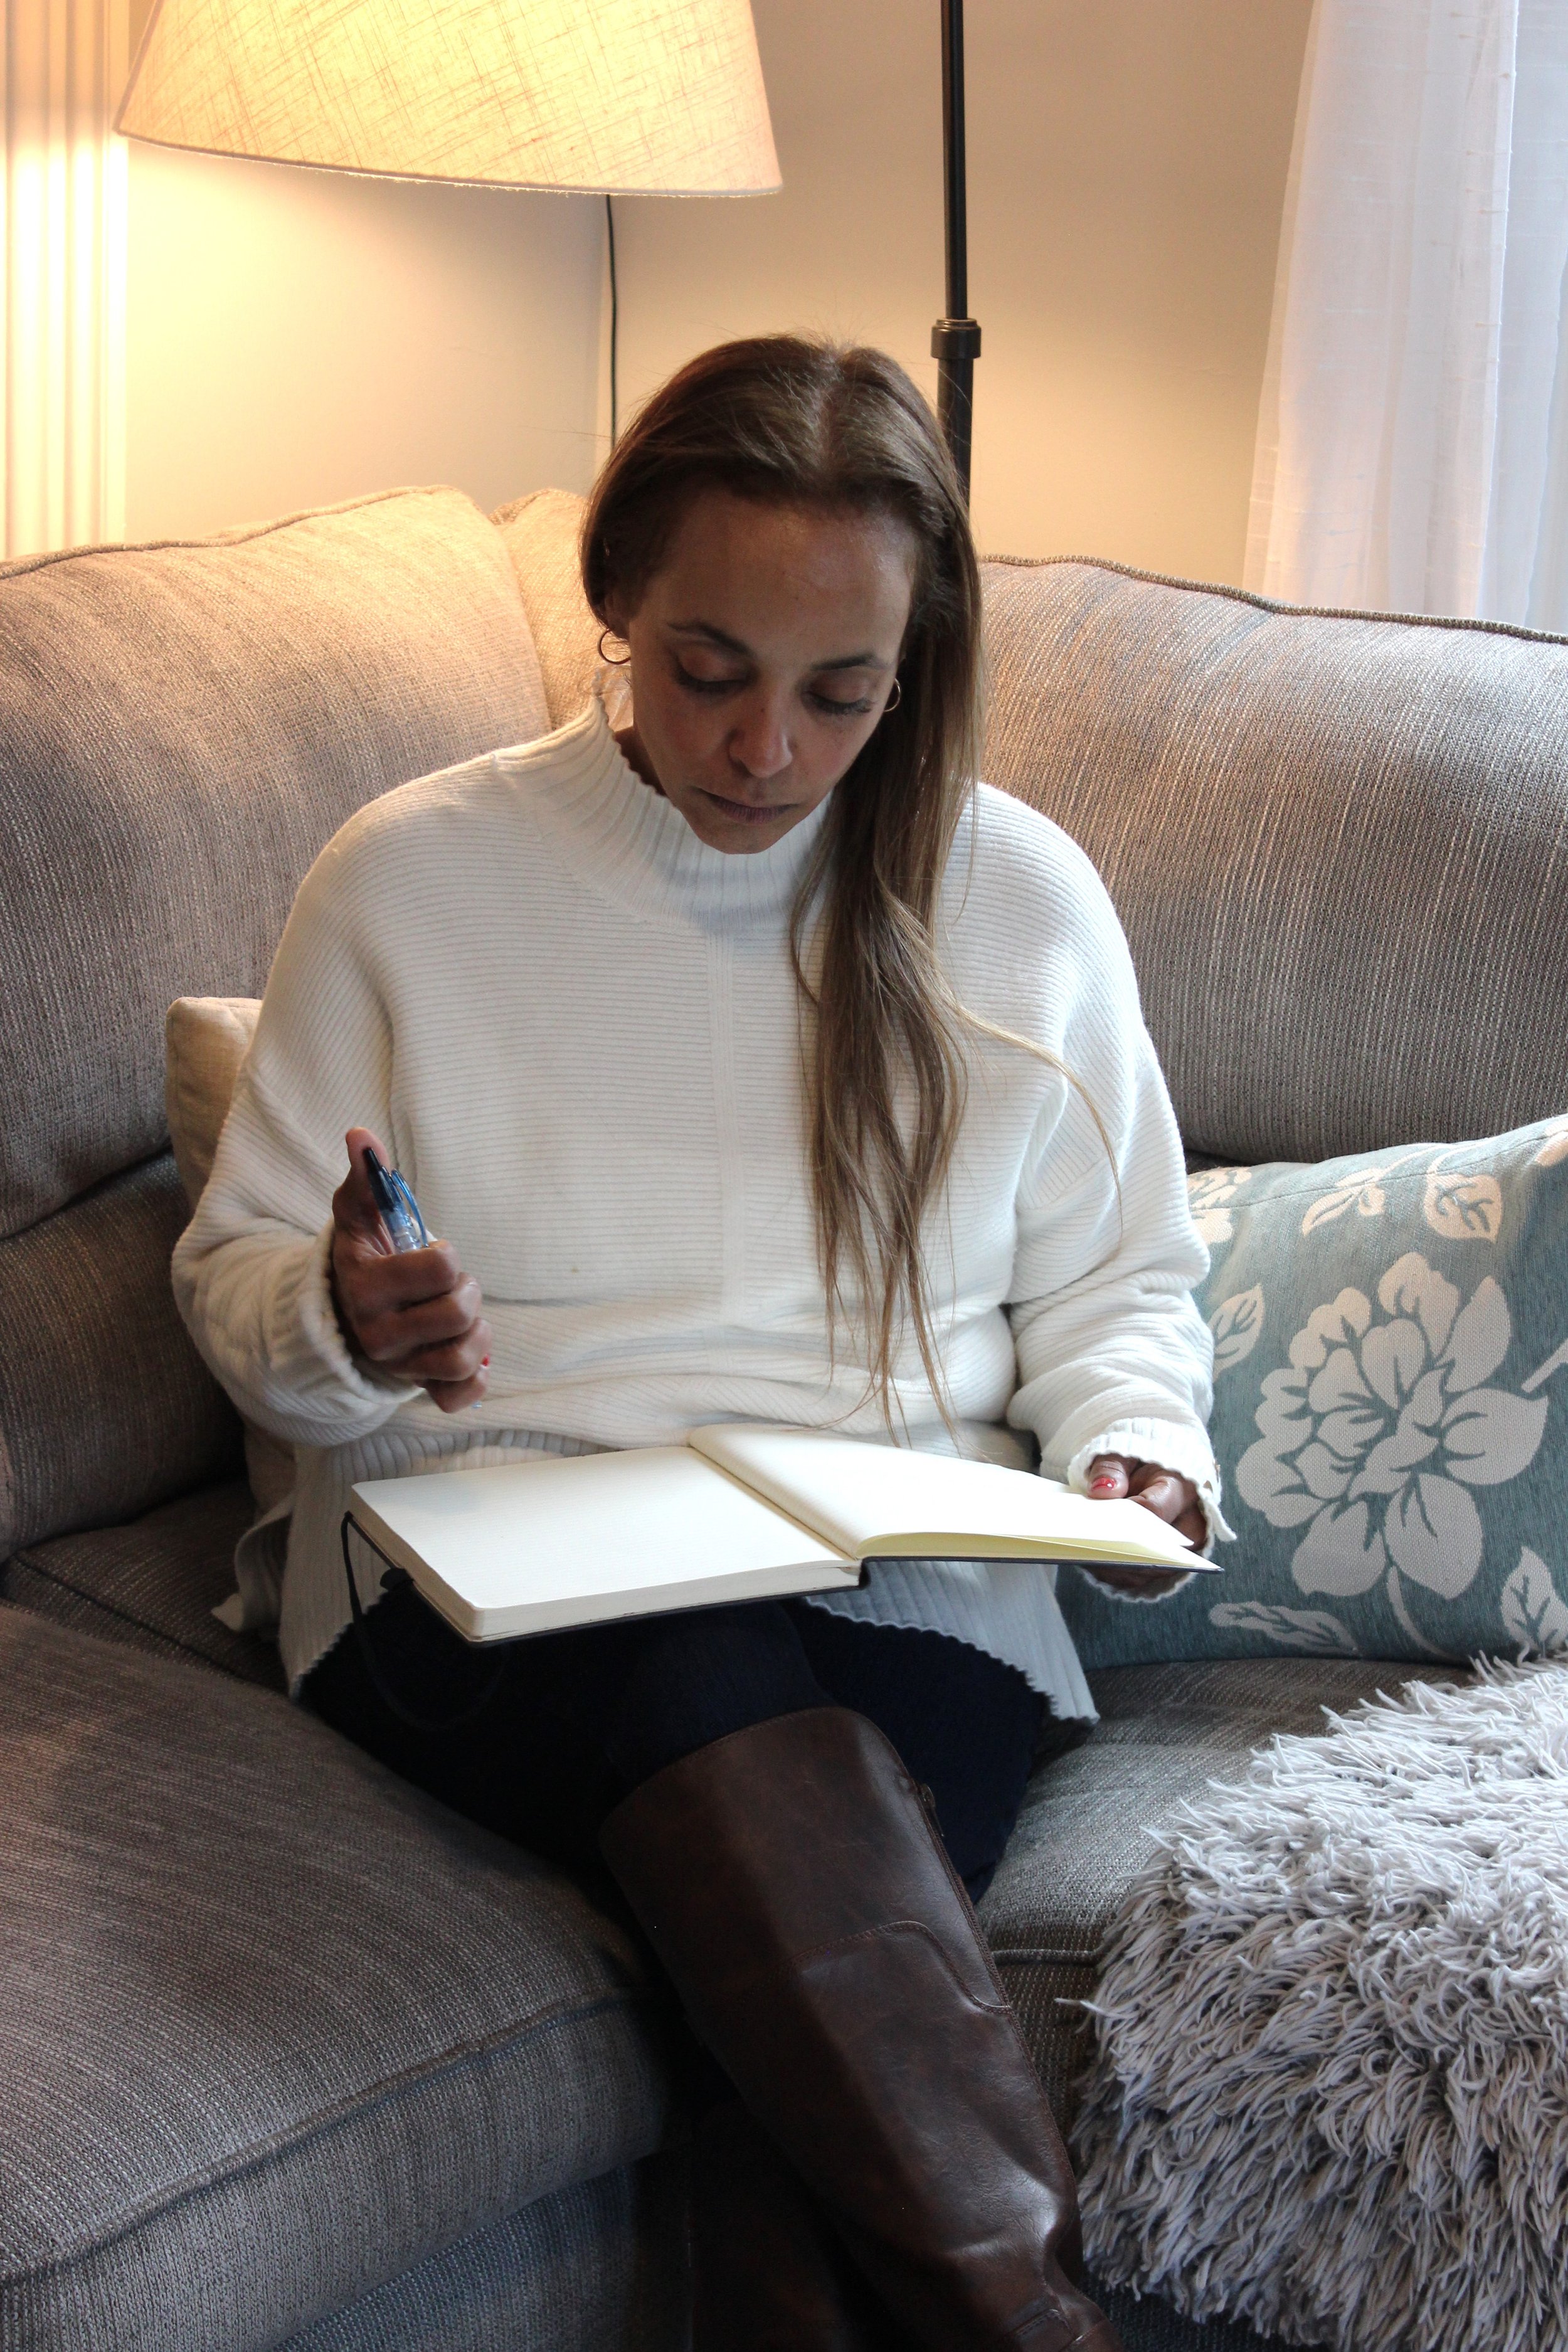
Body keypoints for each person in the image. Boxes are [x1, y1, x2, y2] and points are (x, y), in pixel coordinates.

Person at [174, 336, 1228, 2352]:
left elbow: (1119, 1279)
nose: (765, 746)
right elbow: (240, 1290)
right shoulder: (413, 878)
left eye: (842, 691)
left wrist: (1134, 1445)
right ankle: (1037, 2321)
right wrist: (346, 1320)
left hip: (903, 1560)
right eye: (707, 667)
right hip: (481, 1551)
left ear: (915, 662)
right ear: (614, 610)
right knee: (722, 1697)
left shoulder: (1012, 895)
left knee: (793, 1997)